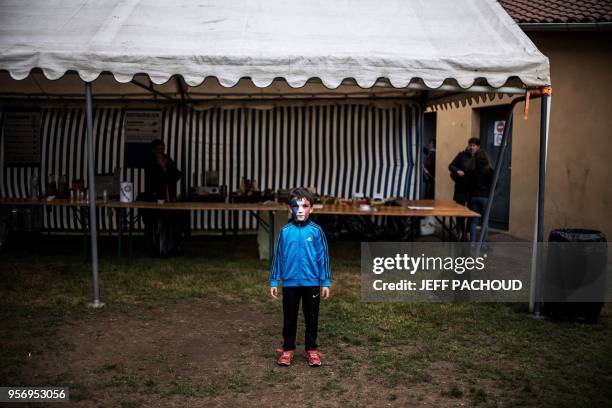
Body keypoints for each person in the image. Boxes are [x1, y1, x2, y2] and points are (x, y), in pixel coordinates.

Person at [270, 187, 331, 367]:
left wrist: (325, 281)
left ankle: (311, 349)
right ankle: (288, 349)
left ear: (311, 208)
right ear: (290, 209)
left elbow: (323, 257)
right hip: (289, 283)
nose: (300, 210)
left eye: (304, 206)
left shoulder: (316, 231)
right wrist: (275, 280)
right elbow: (278, 257)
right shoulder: (285, 231)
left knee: (311, 316)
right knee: (290, 316)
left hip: (311, 283)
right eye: (296, 206)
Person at [142, 139, 186, 256]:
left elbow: (177, 175)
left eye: (162, 149)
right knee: (154, 223)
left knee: (172, 222)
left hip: (169, 197)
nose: (161, 152)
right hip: (154, 197)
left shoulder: (168, 160)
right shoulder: (149, 162)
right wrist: (163, 169)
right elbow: (155, 179)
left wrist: (165, 169)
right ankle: (155, 248)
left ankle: (170, 247)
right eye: (158, 149)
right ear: (153, 150)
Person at [465, 137, 493, 242]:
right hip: (485, 197)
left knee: (473, 221)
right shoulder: (489, 170)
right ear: (486, 158)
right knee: (485, 221)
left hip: (473, 197)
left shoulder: (471, 168)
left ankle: (472, 244)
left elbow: (467, 182)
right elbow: (495, 183)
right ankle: (483, 244)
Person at [448, 142, 473, 239]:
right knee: (459, 211)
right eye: (470, 146)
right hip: (460, 188)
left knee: (471, 212)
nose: (471, 148)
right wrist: (457, 171)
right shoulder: (461, 155)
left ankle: (467, 231)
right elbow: (451, 166)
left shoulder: (477, 157)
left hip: (472, 189)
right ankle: (460, 230)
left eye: (474, 146)